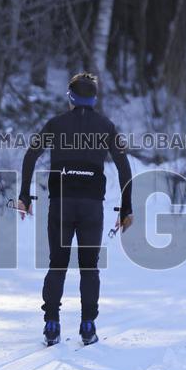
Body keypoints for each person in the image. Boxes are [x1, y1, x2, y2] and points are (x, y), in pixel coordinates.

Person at [17, 73, 133, 346]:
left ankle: (52, 325)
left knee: (57, 264)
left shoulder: (55, 124)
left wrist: (25, 195)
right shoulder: (106, 126)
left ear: (70, 97)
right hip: (92, 207)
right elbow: (124, 167)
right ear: (94, 99)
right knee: (89, 268)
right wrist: (126, 208)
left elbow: (31, 155)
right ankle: (88, 325)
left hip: (61, 205)